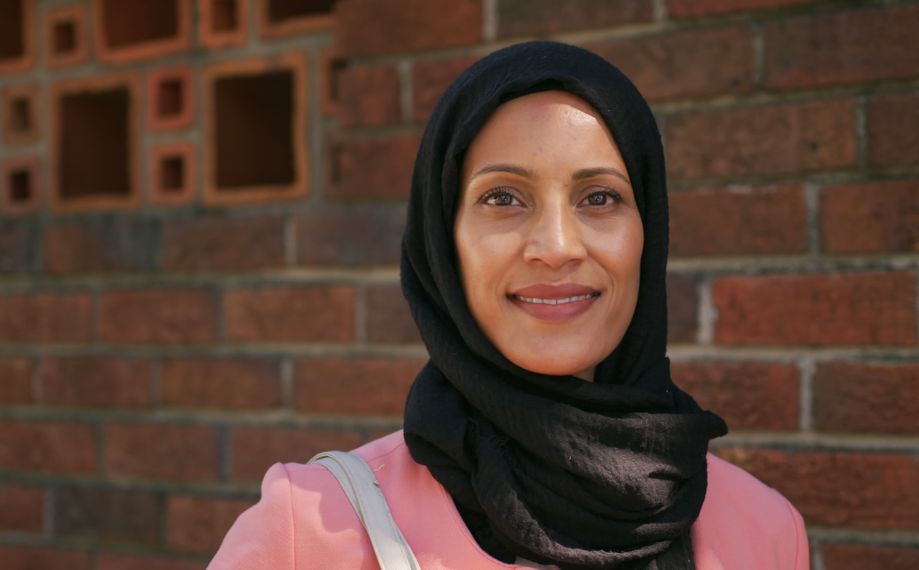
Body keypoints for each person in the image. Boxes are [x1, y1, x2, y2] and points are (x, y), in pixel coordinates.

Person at [210, 41, 809, 569]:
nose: (556, 247)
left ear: (648, 232)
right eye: (503, 197)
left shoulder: (761, 530)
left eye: (599, 197)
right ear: (443, 243)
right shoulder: (312, 532)